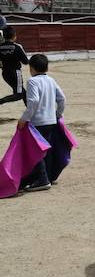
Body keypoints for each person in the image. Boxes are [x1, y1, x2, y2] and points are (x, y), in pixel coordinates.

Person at [17, 54, 66, 192]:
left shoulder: (32, 82)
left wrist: (24, 118)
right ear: (47, 67)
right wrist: (58, 114)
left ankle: (43, 180)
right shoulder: (51, 80)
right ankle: (48, 177)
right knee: (47, 151)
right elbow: (62, 99)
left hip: (38, 122)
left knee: (36, 151)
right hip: (51, 121)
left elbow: (33, 101)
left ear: (31, 68)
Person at [0, 26, 29, 104]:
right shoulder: (17, 47)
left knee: (23, 92)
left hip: (5, 74)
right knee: (19, 94)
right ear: (14, 36)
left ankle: (31, 112)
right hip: (16, 74)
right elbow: (25, 61)